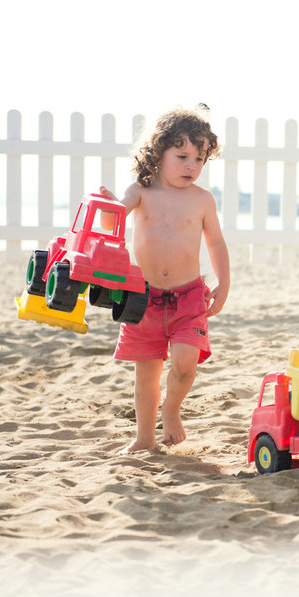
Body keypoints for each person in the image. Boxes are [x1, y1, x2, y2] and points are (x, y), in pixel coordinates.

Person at [100, 106, 231, 453]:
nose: (192, 166)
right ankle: (144, 438)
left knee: (186, 363)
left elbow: (216, 243)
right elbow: (114, 220)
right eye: (182, 156)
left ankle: (171, 411)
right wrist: (108, 207)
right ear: (159, 152)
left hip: (189, 297)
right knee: (146, 375)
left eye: (200, 158)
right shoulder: (141, 191)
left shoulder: (202, 200)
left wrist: (224, 284)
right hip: (143, 298)